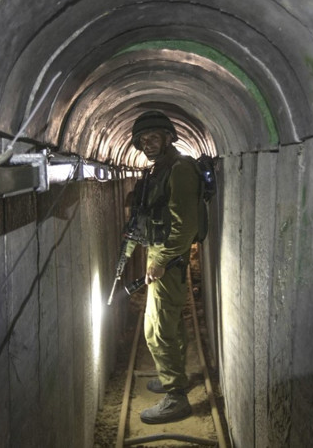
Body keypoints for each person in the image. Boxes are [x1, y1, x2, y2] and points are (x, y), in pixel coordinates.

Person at [130, 111, 200, 424]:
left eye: (153, 138)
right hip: (161, 253)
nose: (148, 144)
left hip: (168, 257)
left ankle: (175, 397)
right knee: (168, 322)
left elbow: (185, 225)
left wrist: (161, 260)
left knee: (156, 330)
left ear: (168, 137)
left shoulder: (180, 168)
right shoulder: (161, 168)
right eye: (143, 140)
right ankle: (175, 377)